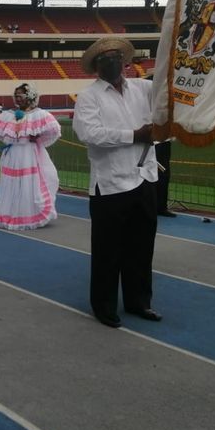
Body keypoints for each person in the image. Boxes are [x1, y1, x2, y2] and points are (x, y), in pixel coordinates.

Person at [73, 37, 162, 328]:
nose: (110, 62)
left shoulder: (144, 88)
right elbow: (90, 133)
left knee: (141, 247)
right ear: (95, 67)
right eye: (103, 59)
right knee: (108, 251)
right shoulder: (89, 96)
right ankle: (104, 305)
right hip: (110, 184)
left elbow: (169, 102)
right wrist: (134, 135)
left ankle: (139, 302)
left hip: (145, 177)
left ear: (125, 60)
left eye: (115, 56)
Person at [0, 83, 61, 230]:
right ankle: (11, 213)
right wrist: (10, 139)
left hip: (29, 153)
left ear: (29, 97)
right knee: (12, 184)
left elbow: (53, 130)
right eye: (16, 96)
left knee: (30, 183)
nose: (17, 99)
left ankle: (29, 214)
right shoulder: (8, 115)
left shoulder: (38, 114)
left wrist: (38, 138)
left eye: (20, 96)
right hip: (12, 154)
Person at [155, 139, 176, 217]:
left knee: (164, 176)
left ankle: (161, 207)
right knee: (159, 175)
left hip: (164, 143)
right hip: (157, 144)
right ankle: (157, 207)